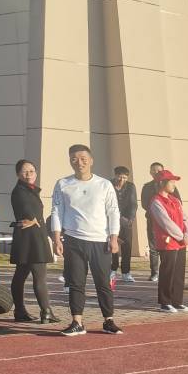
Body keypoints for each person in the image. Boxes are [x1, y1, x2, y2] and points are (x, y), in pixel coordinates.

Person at [48, 144, 122, 336]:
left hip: (100, 241)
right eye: (74, 159)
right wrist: (56, 239)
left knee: (103, 283)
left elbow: (113, 212)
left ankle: (108, 320)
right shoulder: (62, 184)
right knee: (75, 282)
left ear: (91, 160)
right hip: (73, 240)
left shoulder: (104, 184)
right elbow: (56, 211)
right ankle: (77, 322)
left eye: (83, 159)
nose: (79, 162)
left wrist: (114, 237)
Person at [9, 159, 56, 323]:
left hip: (29, 237)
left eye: (31, 171)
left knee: (20, 275)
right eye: (25, 171)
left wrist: (36, 221)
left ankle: (20, 311)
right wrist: (34, 220)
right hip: (32, 239)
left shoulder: (29, 190)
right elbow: (28, 213)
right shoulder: (20, 191)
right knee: (39, 276)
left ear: (36, 173)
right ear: (18, 174)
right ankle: (46, 312)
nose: (29, 174)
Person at [147, 168, 188, 313]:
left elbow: (185, 218)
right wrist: (181, 237)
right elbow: (166, 223)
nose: (174, 185)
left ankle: (177, 301)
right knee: (168, 272)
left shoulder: (175, 200)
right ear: (162, 183)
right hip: (168, 242)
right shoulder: (156, 202)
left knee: (179, 272)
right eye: (171, 182)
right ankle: (165, 302)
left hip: (180, 242)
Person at [139, 161, 175, 281]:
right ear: (150, 172)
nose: (156, 172)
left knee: (167, 246)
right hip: (152, 220)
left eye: (158, 170)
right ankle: (154, 272)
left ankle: (166, 270)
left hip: (168, 222)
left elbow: (178, 201)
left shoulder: (170, 184)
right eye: (153, 170)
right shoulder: (147, 187)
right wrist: (157, 211)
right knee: (153, 247)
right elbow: (144, 203)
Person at [110, 167, 138, 283]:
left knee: (127, 247)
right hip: (112, 220)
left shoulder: (130, 186)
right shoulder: (108, 185)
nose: (122, 180)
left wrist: (130, 219)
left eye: (125, 178)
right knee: (113, 245)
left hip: (126, 221)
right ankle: (112, 269)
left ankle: (126, 272)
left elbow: (133, 204)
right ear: (115, 175)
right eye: (120, 177)